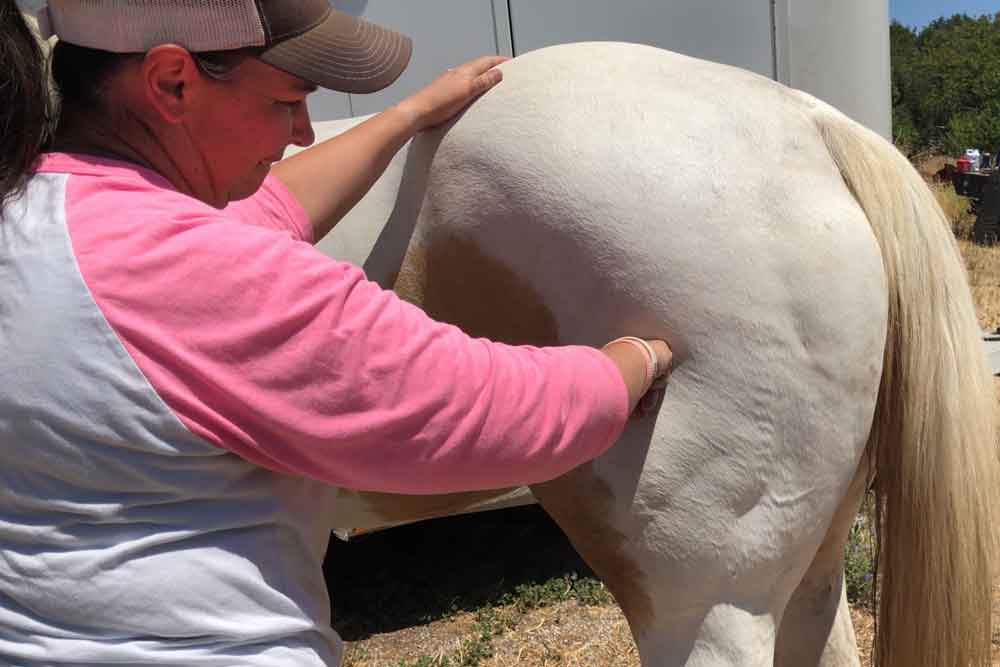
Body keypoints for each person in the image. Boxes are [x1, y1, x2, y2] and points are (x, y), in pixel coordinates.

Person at [0, 1, 673, 664]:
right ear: (173, 81)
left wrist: (406, 118)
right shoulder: (205, 278)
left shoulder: (37, 212)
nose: (302, 132)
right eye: (287, 101)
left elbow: (266, 209)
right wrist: (632, 362)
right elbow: (482, 409)